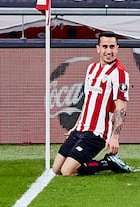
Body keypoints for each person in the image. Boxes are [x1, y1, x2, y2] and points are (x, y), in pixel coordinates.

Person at [52, 31, 132, 176]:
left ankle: (107, 163)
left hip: (97, 133)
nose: (109, 51)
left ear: (117, 48)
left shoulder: (120, 73)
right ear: (98, 48)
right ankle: (101, 161)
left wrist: (114, 137)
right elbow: (88, 100)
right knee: (56, 169)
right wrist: (76, 126)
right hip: (81, 129)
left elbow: (121, 107)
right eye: (105, 46)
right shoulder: (91, 68)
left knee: (67, 171)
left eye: (112, 47)